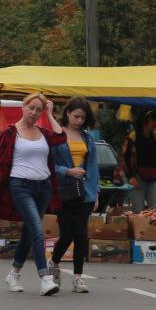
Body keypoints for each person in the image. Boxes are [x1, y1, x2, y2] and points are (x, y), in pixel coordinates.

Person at [0, 92, 66, 296]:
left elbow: (61, 137)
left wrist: (49, 114)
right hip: (20, 186)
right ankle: (45, 278)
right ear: (23, 107)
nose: (34, 112)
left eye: (39, 109)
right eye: (31, 108)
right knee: (37, 229)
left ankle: (14, 273)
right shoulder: (10, 133)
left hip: (44, 186)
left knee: (30, 232)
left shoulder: (43, 132)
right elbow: (1, 164)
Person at [50, 97, 100, 293]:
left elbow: (94, 167)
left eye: (82, 117)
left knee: (81, 234)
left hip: (85, 192)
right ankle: (54, 262)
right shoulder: (57, 135)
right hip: (64, 191)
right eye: (75, 116)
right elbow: (50, 165)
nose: (78, 120)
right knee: (67, 234)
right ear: (67, 113)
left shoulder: (88, 138)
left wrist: (95, 193)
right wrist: (67, 171)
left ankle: (78, 277)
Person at [122, 110, 156, 212]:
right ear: (145, 121)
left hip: (154, 177)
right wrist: (130, 177)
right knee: (137, 210)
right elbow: (124, 157)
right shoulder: (132, 137)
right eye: (153, 120)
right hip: (138, 178)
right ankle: (138, 227)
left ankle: (153, 228)